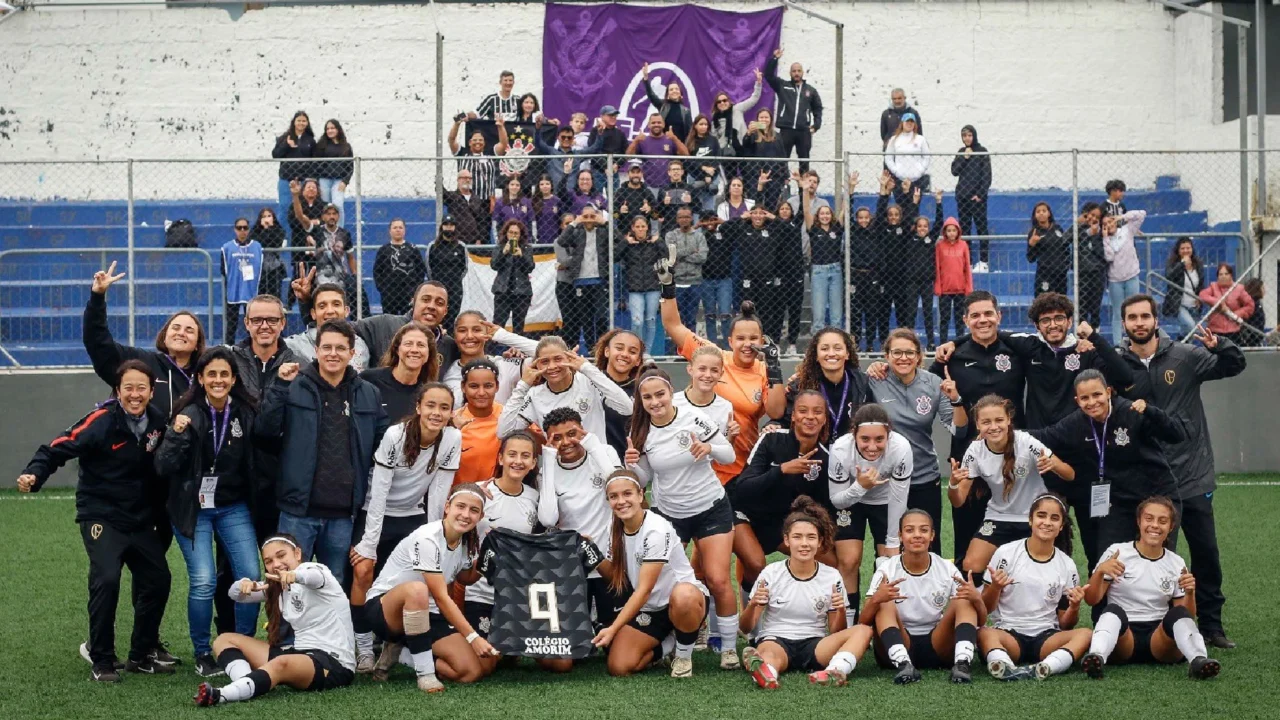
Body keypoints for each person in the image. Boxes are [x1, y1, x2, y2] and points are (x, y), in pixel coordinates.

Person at [19, 360, 174, 679]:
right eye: (128, 388)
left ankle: (140, 654)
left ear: (151, 391)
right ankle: (101, 658)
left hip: (140, 519)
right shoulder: (99, 421)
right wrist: (34, 474)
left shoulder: (158, 422)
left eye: (141, 388)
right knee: (107, 578)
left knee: (158, 580)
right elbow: (56, 449)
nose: (135, 394)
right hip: (101, 515)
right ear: (117, 391)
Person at [1116, 294, 1246, 648]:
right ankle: (1161, 625)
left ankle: (1212, 625)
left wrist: (1221, 344)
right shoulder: (1117, 365)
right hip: (1149, 478)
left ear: (1156, 320)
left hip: (1192, 472)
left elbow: (1234, 364)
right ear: (1124, 323)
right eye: (1132, 317)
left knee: (1205, 552)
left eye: (1145, 316)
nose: (1139, 323)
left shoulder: (1185, 356)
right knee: (1157, 554)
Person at [255, 320, 390, 585]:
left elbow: (382, 444)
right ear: (316, 350)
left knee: (333, 586)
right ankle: (284, 630)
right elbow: (264, 432)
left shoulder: (368, 393)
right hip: (297, 511)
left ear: (352, 353)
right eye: (326, 347)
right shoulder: (293, 386)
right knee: (288, 586)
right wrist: (279, 388)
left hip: (342, 514)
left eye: (341, 348)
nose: (333, 353)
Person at [155, 347, 262, 677]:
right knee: (202, 581)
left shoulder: (245, 412)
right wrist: (175, 435)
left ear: (233, 379)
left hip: (232, 506)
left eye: (224, 375)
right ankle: (203, 652)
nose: (218, 380)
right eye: (211, 374)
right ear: (199, 379)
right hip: (193, 509)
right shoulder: (187, 413)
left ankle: (241, 645)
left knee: (251, 578)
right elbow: (163, 466)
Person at [624, 369, 739, 670]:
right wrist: (632, 464)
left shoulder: (693, 417)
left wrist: (710, 447)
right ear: (641, 401)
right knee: (670, 584)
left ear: (670, 392)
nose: (655, 402)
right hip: (669, 515)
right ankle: (677, 641)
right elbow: (645, 478)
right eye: (647, 397)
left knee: (717, 579)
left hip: (710, 506)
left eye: (659, 394)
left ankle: (728, 649)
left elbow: (728, 455)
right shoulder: (641, 430)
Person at [350, 382, 461, 672]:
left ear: (451, 412)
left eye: (444, 407)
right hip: (377, 512)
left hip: (413, 516)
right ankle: (363, 649)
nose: (436, 412)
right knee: (363, 570)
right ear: (418, 407)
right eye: (431, 405)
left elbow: (439, 494)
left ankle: (398, 644)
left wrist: (435, 538)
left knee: (416, 582)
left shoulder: (452, 438)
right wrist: (369, 543)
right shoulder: (395, 434)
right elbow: (380, 492)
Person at [1034, 370, 1186, 559]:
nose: (1092, 402)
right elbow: (1044, 436)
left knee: (1157, 557)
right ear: (1077, 400)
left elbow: (1177, 435)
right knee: (1108, 559)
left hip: (1156, 494)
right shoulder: (1076, 422)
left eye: (1097, 394)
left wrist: (1150, 411)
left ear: (1108, 391)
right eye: (1084, 398)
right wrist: (1005, 433)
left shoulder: (1132, 411)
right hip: (1118, 500)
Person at [926, 291, 1028, 567]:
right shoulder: (951, 358)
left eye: (988, 314)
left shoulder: (1017, 350)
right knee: (967, 537)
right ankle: (966, 601)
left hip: (1012, 457)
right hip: (968, 457)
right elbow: (917, 379)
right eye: (975, 316)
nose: (982, 320)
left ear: (999, 316)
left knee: (1017, 536)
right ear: (965, 320)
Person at [363, 484, 495, 693]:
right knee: (418, 590)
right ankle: (425, 674)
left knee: (472, 671)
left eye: (474, 510)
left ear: (481, 516)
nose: (465, 515)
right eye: (460, 507)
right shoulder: (428, 537)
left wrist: (490, 558)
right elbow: (441, 597)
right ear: (447, 507)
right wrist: (473, 637)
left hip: (429, 614)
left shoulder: (466, 542)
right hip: (385, 609)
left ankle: (405, 653)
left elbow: (466, 578)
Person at [194, 536, 354, 705]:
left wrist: (294, 575)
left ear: (298, 553)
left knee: (281, 662)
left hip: (334, 663)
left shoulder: (315, 570)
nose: (276, 564)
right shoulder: (277, 587)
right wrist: (245, 584)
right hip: (299, 653)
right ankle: (246, 683)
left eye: (281, 555)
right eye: (269, 561)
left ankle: (222, 694)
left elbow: (313, 576)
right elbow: (234, 595)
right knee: (224, 639)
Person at [1082, 497, 1222, 680]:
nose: (1155, 525)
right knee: (1112, 611)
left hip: (1160, 639)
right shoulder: (1117, 552)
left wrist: (1190, 593)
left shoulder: (1175, 562)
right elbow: (1091, 599)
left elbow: (1187, 614)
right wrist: (1100, 572)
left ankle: (1198, 660)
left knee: (1178, 614)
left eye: (1162, 521)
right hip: (1124, 638)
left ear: (1171, 527)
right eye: (1149, 519)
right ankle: (1097, 656)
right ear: (1139, 521)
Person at [740, 497, 873, 689]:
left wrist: (840, 610)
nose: (804, 543)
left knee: (864, 630)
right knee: (768, 653)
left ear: (819, 541)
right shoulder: (771, 573)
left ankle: (836, 671)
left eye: (811, 537)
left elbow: (836, 631)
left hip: (815, 644)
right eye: (797, 537)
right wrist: (752, 606)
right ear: (786, 540)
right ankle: (766, 673)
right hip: (777, 640)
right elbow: (745, 628)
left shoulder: (832, 576)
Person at [594, 470, 711, 678]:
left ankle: (683, 656)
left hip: (681, 601)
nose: (621, 501)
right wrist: (590, 553)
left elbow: (644, 590)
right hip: (650, 608)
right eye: (614, 497)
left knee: (684, 596)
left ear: (640, 495)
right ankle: (669, 643)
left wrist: (613, 629)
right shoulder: (613, 527)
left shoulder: (656, 529)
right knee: (619, 667)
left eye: (627, 494)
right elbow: (616, 577)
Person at [661, 297, 785, 489]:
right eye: (740, 339)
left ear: (762, 341)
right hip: (702, 464)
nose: (747, 344)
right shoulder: (714, 358)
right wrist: (667, 288)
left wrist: (774, 365)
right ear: (730, 341)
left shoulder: (763, 371)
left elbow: (776, 412)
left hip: (740, 465)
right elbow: (673, 325)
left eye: (753, 339)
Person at [948, 394, 1074, 581]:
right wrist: (952, 484)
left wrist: (1053, 465)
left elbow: (1069, 474)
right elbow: (958, 501)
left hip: (1032, 517)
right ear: (978, 425)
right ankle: (989, 604)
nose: (993, 427)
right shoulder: (975, 451)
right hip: (998, 516)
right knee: (970, 567)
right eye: (986, 422)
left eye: (999, 420)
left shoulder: (1025, 442)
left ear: (1008, 420)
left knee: (1034, 572)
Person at [867, 329, 967, 553]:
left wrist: (956, 400)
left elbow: (958, 430)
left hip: (923, 477)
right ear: (887, 355)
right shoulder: (875, 380)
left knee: (928, 545)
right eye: (897, 352)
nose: (904, 358)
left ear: (919, 356)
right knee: (887, 548)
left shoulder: (933, 383)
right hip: (886, 479)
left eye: (909, 352)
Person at [862, 509, 985, 684]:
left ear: (932, 535)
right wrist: (876, 599)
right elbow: (863, 622)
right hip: (898, 644)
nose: (917, 535)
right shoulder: (887, 569)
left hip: (938, 644)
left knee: (964, 598)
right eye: (910, 530)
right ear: (900, 535)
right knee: (884, 602)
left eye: (924, 530)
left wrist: (977, 599)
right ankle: (904, 665)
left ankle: (962, 663)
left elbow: (980, 620)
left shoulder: (945, 568)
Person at [730, 390, 831, 601]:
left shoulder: (825, 457)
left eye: (817, 412)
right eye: (803, 411)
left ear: (824, 418)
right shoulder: (772, 438)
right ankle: (750, 625)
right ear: (793, 416)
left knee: (830, 560)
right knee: (756, 563)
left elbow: (823, 505)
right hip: (744, 513)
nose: (810, 417)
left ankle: (810, 609)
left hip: (779, 523)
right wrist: (782, 469)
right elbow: (742, 488)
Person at [979, 494, 1091, 680]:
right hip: (1009, 634)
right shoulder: (1006, 553)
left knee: (1086, 634)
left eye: (1054, 518)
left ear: (1061, 526)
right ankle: (1004, 666)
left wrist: (1075, 606)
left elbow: (1065, 624)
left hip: (1046, 638)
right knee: (984, 632)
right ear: (1030, 520)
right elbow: (985, 609)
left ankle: (1046, 667)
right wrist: (996, 587)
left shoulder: (1067, 564)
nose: (1047, 522)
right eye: (1041, 515)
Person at [464, 432, 547, 673]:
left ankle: (512, 646)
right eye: (512, 454)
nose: (517, 461)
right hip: (482, 594)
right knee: (485, 665)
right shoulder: (479, 492)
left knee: (559, 663)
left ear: (533, 463)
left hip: (519, 595)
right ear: (500, 458)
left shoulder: (535, 498)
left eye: (525, 456)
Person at [538, 408, 628, 627]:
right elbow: (548, 519)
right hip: (574, 565)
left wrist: (593, 445)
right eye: (557, 438)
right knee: (577, 647)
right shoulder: (547, 468)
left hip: (610, 560)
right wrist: (549, 463)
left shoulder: (603, 452)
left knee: (614, 644)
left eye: (572, 433)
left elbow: (619, 486)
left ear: (583, 432)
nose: (566, 442)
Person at [84, 260, 203, 420]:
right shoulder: (141, 362)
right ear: (164, 336)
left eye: (189, 330)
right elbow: (97, 342)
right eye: (175, 328)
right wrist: (97, 297)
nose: (181, 333)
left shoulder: (204, 375)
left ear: (197, 343)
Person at [827, 404, 913, 622]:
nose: (872, 447)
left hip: (886, 501)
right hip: (851, 499)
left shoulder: (901, 447)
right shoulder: (840, 449)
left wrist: (893, 543)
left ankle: (884, 623)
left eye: (879, 439)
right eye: (865, 439)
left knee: (888, 561)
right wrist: (860, 487)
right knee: (848, 561)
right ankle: (848, 626)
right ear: (854, 433)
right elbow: (837, 501)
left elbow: (898, 497)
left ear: (888, 435)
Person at [498, 335, 633, 440]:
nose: (552, 367)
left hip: (595, 469)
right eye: (545, 361)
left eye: (558, 359)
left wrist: (586, 368)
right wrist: (523, 385)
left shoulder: (588, 381)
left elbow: (626, 408)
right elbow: (504, 433)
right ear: (535, 365)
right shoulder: (534, 395)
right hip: (560, 470)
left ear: (568, 358)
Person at [781, 327, 870, 439]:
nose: (831, 353)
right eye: (824, 349)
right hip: (816, 450)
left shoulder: (863, 382)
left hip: (853, 451)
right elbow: (786, 419)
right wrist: (773, 424)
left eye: (838, 348)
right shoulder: (800, 385)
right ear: (816, 355)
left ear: (847, 354)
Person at [440, 311, 536, 410]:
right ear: (455, 336)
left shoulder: (505, 365)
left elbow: (550, 352)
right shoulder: (445, 371)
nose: (469, 336)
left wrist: (504, 336)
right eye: (462, 330)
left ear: (487, 333)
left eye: (476, 330)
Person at [358, 322, 439, 422]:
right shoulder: (368, 380)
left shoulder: (428, 393)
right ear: (397, 350)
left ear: (429, 353)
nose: (414, 350)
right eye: (408, 344)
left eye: (421, 345)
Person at [283, 283, 371, 371]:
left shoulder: (359, 345)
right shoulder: (293, 346)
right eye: (322, 306)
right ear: (313, 314)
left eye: (336, 304)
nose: (330, 311)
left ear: (346, 311)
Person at [554, 206, 608, 350]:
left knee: (601, 317)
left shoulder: (602, 232)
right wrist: (575, 223)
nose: (588, 220)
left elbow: (619, 244)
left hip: (597, 279)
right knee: (580, 319)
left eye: (592, 216)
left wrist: (605, 223)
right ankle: (583, 348)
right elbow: (561, 242)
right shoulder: (576, 233)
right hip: (575, 282)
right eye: (585, 217)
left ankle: (601, 347)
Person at [897, 188, 944, 348]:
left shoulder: (931, 239)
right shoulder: (909, 239)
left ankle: (931, 341)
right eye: (920, 226)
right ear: (916, 228)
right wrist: (915, 202)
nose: (922, 229)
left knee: (927, 313)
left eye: (925, 226)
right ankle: (910, 341)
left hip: (926, 282)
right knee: (910, 313)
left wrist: (938, 202)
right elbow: (909, 219)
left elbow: (939, 223)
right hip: (911, 282)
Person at [763, 48, 822, 173]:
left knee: (804, 162)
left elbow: (818, 108)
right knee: (781, 161)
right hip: (786, 130)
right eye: (794, 71)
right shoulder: (782, 85)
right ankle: (782, 189)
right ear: (790, 73)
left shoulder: (810, 90)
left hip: (804, 132)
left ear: (803, 73)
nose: (796, 73)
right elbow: (768, 75)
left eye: (799, 71)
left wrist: (816, 125)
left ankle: (803, 192)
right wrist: (774, 59)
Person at [846, 174, 888, 350]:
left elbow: (882, 207)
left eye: (866, 217)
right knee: (855, 311)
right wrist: (851, 190)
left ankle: (870, 343)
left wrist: (883, 190)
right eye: (860, 217)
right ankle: (855, 343)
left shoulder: (875, 230)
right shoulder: (853, 230)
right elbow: (847, 211)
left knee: (871, 312)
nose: (863, 220)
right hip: (856, 275)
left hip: (872, 276)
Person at [593, 328, 647, 457]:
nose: (625, 354)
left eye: (632, 352)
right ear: (607, 351)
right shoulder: (589, 382)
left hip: (625, 465)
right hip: (590, 464)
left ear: (638, 361)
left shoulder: (641, 391)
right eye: (619, 348)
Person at [618, 215, 669, 352]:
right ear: (632, 228)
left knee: (651, 320)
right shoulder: (629, 244)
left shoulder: (654, 243)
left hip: (653, 286)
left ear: (647, 228)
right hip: (635, 288)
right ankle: (637, 349)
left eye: (643, 226)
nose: (640, 229)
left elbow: (666, 257)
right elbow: (614, 256)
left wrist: (659, 241)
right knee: (637, 321)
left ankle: (647, 352)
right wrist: (625, 242)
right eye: (637, 227)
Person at [452, 360, 505, 485]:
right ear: (463, 387)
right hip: (458, 497)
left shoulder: (507, 416)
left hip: (494, 497)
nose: (481, 393)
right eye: (474, 386)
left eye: (488, 386)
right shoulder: (453, 420)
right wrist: (451, 431)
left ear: (497, 386)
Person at [449, 119, 510, 225]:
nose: (478, 142)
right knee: (466, 229)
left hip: (485, 201)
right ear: (469, 142)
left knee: (484, 232)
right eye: (475, 140)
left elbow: (504, 144)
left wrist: (500, 126)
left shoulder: (490, 154)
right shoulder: (462, 153)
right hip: (465, 201)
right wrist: (457, 124)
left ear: (484, 142)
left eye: (480, 140)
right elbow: (451, 139)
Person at [803, 197, 846, 334]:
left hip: (836, 270)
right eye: (822, 213)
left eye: (827, 213)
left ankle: (836, 338)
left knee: (836, 311)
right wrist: (804, 190)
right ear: (817, 216)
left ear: (831, 215)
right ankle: (817, 341)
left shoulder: (837, 229)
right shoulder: (813, 229)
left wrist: (849, 189)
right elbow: (805, 210)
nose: (825, 216)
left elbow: (844, 210)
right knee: (819, 310)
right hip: (818, 271)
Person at [1102, 207, 1146, 343]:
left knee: (1134, 309)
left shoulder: (1127, 230)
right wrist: (1105, 239)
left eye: (1110, 221)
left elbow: (1141, 214)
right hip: (1115, 280)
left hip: (1131, 276)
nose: (1109, 225)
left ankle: (1134, 340)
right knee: (1118, 312)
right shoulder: (1105, 240)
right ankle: (1118, 343)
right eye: (1105, 224)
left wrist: (1122, 217)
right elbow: (1109, 257)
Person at [663, 206, 708, 338]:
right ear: (677, 219)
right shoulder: (671, 235)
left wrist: (680, 255)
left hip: (695, 282)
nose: (684, 220)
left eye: (687, 217)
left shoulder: (699, 236)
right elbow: (672, 255)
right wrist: (692, 252)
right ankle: (677, 350)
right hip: (677, 282)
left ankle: (690, 349)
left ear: (692, 218)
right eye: (681, 217)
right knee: (677, 319)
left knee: (691, 319)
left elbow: (702, 257)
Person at [950, 125, 991, 270]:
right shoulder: (961, 152)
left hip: (977, 199)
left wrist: (979, 194)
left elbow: (987, 176)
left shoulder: (982, 151)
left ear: (974, 136)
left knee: (981, 228)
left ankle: (984, 262)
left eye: (969, 135)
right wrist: (964, 158)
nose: (967, 138)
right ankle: (968, 261)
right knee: (965, 230)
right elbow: (954, 171)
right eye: (964, 136)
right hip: (963, 198)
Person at [373, 219, 428, 317]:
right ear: (389, 231)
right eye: (395, 227)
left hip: (408, 293)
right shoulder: (383, 250)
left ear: (405, 230)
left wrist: (415, 291)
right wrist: (383, 289)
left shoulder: (412, 249)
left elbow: (420, 271)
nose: (398, 230)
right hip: (389, 294)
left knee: (408, 321)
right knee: (389, 322)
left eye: (400, 227)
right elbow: (377, 271)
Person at [222, 219, 263, 345]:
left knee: (252, 322)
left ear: (249, 229)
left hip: (251, 290)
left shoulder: (257, 247)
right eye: (239, 228)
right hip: (234, 290)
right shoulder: (227, 248)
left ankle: (252, 347)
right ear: (235, 229)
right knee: (231, 323)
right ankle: (228, 347)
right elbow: (223, 270)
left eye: (245, 228)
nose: (242, 231)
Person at [272, 111, 316, 230]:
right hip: (286, 179)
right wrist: (286, 145)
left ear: (307, 123)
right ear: (294, 122)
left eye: (304, 121)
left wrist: (310, 179)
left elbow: (314, 160)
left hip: (303, 180)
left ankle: (300, 239)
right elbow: (275, 155)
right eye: (299, 120)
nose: (301, 123)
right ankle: (283, 237)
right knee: (284, 208)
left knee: (301, 210)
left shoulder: (310, 141)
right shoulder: (284, 138)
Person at [533, 124, 603, 197]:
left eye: (569, 137)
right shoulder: (551, 152)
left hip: (572, 196)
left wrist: (600, 134)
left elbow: (595, 148)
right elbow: (538, 143)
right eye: (563, 137)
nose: (566, 139)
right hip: (554, 195)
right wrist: (538, 129)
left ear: (573, 139)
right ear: (558, 138)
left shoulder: (578, 154)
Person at [491, 219, 535, 334]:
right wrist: (503, 253)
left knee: (518, 327)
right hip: (503, 291)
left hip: (521, 292)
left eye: (516, 233)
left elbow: (530, 267)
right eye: (510, 232)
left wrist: (521, 255)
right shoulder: (500, 247)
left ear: (520, 235)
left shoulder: (526, 248)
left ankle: (516, 351)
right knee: (497, 325)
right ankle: (490, 350)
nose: (513, 236)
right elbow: (494, 265)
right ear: (506, 233)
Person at [626, 114, 689, 191]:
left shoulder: (670, 139)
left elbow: (686, 155)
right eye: (653, 123)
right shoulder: (643, 141)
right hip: (649, 187)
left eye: (659, 122)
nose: (656, 125)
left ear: (663, 124)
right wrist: (635, 141)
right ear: (648, 125)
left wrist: (675, 138)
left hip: (670, 186)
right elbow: (627, 156)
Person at [740, 108, 787, 210]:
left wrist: (785, 174)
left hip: (773, 176)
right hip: (755, 176)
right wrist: (748, 133)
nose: (764, 120)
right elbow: (746, 147)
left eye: (766, 117)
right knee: (755, 204)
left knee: (772, 205)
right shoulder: (753, 134)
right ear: (757, 120)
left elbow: (783, 155)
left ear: (770, 119)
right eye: (761, 117)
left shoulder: (777, 136)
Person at [934, 216, 972, 343]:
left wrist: (968, 286)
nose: (951, 233)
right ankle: (943, 343)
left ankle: (960, 343)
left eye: (954, 230)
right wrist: (938, 286)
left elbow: (967, 267)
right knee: (944, 318)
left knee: (959, 318)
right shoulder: (939, 246)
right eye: (948, 230)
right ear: (945, 232)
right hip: (945, 289)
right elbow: (937, 267)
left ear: (958, 232)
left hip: (960, 288)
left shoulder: (963, 245)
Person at [1197, 263, 1254, 345]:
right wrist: (1218, 302)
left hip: (1233, 328)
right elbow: (1203, 295)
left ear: (1231, 275)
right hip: (1215, 329)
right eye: (1221, 274)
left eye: (1226, 274)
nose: (1223, 276)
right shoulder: (1213, 287)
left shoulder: (1239, 288)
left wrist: (1236, 314)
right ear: (1217, 276)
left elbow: (1250, 305)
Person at [708, 73, 763, 158]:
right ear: (716, 105)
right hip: (726, 152)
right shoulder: (715, 119)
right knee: (729, 171)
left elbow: (754, 99)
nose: (722, 103)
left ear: (729, 101)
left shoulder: (737, 109)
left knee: (746, 171)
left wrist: (758, 83)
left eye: (724, 100)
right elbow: (714, 137)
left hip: (742, 147)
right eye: (719, 102)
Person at [428, 216, 468, 328]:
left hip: (455, 289)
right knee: (436, 317)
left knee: (452, 319)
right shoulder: (433, 246)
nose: (449, 228)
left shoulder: (461, 246)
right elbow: (429, 267)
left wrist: (455, 280)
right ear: (442, 227)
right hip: (437, 288)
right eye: (446, 225)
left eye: (451, 225)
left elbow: (464, 268)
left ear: (455, 227)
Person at [312, 119, 354, 226]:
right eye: (328, 129)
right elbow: (315, 165)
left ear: (338, 129)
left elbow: (350, 167)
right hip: (324, 180)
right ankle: (324, 232)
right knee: (325, 207)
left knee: (338, 205)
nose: (330, 130)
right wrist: (316, 183)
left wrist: (345, 181)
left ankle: (339, 233)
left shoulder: (346, 147)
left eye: (332, 128)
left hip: (339, 181)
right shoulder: (321, 145)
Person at [1161, 237, 1205, 339]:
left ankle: (1181, 348)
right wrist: (1181, 264)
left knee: (1186, 331)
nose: (1186, 250)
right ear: (1178, 250)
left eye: (1188, 248)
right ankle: (1181, 348)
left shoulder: (1198, 264)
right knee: (1190, 327)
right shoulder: (1172, 263)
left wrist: (1199, 297)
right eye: (1183, 248)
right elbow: (1169, 276)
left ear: (1192, 249)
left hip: (1194, 304)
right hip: (1179, 303)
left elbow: (1201, 283)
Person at [884, 113, 930, 205]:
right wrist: (896, 171)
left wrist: (920, 171)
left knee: (914, 206)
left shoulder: (920, 139)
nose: (909, 124)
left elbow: (927, 157)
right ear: (902, 123)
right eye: (907, 121)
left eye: (912, 122)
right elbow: (888, 158)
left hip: (917, 180)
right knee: (900, 207)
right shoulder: (894, 139)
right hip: (899, 180)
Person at [641, 62, 694, 141]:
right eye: (671, 89)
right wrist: (646, 79)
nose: (674, 91)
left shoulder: (686, 111)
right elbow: (651, 95)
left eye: (676, 89)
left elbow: (690, 132)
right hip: (664, 146)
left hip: (680, 147)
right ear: (667, 94)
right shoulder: (662, 105)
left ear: (680, 94)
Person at [1026, 202, 1070, 295]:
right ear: (1035, 215)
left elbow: (1066, 248)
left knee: (1061, 302)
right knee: (1044, 303)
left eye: (1044, 211)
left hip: (1060, 274)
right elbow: (1030, 258)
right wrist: (1031, 244)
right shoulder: (1034, 232)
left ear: (1049, 213)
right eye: (1038, 211)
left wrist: (1066, 265)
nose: (1041, 213)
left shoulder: (1058, 228)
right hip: (1045, 274)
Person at [1075, 202, 1107, 328]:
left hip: (1097, 273)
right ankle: (1081, 335)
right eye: (1091, 215)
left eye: (1097, 217)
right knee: (1081, 307)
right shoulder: (1079, 231)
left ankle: (1095, 333)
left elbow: (1101, 253)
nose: (1093, 219)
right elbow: (1066, 240)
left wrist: (1094, 236)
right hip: (1083, 273)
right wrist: (1077, 225)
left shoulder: (1102, 233)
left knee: (1095, 306)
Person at [441, 170, 491, 246]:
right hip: (457, 240)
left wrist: (480, 239)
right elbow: (442, 193)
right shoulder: (453, 196)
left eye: (470, 178)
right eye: (464, 178)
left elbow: (481, 221)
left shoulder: (476, 199)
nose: (467, 180)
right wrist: (438, 182)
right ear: (458, 180)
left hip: (474, 241)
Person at [250, 208, 288, 303]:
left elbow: (275, 242)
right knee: (260, 295)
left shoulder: (279, 230)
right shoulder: (255, 232)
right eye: (264, 216)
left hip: (274, 267)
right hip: (259, 268)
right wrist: (264, 230)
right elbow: (259, 243)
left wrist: (270, 228)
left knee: (274, 294)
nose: (266, 219)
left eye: (269, 216)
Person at [531, 176, 564, 245]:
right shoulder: (533, 201)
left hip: (555, 238)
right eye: (542, 184)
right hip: (539, 239)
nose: (545, 186)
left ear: (551, 185)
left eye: (547, 184)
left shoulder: (557, 201)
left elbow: (561, 219)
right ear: (538, 186)